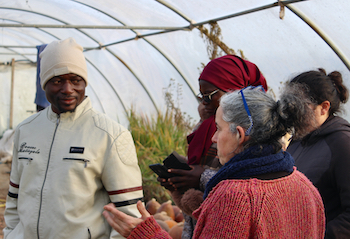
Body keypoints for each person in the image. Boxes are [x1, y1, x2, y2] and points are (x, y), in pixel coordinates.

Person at [103, 87, 326, 238]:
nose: (213, 138)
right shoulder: (304, 185)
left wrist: (147, 233)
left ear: (240, 134)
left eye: (218, 129)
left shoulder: (234, 196)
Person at [3, 37, 144, 239]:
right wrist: (11, 235)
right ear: (44, 84)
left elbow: (129, 215)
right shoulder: (26, 130)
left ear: (84, 82)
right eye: (58, 80)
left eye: (75, 80)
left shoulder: (110, 135)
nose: (68, 89)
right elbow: (14, 199)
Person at [158, 55, 267, 238]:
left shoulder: (258, 133)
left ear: (235, 91)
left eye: (209, 95)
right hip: (198, 225)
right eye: (201, 96)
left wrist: (201, 176)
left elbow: (250, 189)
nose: (204, 102)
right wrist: (179, 178)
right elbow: (206, 165)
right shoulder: (205, 126)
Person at [286, 69, 350, 239]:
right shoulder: (297, 141)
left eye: (298, 104)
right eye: (288, 103)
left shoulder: (342, 144)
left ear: (324, 107)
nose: (290, 111)